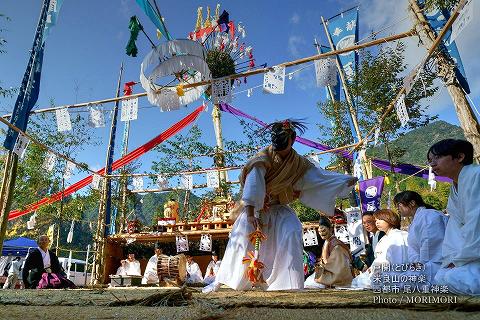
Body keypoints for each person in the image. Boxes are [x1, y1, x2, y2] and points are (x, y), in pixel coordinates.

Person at [205, 120, 356, 292]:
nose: (280, 150)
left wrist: (343, 180)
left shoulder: (298, 163)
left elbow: (319, 177)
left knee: (292, 229)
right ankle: (221, 281)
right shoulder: (261, 159)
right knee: (241, 239)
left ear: (293, 140)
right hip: (254, 209)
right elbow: (253, 188)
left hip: (279, 208)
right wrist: (249, 214)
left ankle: (288, 283)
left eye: (284, 145)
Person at [427, 139, 480, 295]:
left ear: (459, 157)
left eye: (437, 158)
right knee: (442, 277)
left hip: (474, 251)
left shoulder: (476, 175)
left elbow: (476, 223)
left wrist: (460, 259)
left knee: (457, 278)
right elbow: (454, 229)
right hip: (471, 254)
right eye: (430, 161)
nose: (432, 164)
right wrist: (453, 260)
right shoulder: (455, 188)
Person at [394, 190, 448, 284]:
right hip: (425, 265)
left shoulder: (428, 215)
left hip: (435, 265)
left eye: (399, 204)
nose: (397, 208)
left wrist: (421, 264)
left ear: (412, 203)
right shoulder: (418, 219)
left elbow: (430, 245)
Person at [351, 209, 409, 289]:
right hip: (384, 270)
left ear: (389, 219)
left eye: (380, 220)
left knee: (362, 282)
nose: (377, 222)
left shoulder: (397, 236)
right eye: (376, 220)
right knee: (357, 281)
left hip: (394, 272)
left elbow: (397, 260)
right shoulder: (384, 237)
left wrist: (376, 269)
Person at [304, 216, 353, 288]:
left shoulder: (337, 246)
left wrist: (322, 267)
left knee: (310, 284)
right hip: (328, 272)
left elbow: (338, 268)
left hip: (336, 276)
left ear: (330, 229)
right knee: (308, 282)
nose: (321, 234)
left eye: (324, 231)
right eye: (319, 232)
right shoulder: (327, 242)